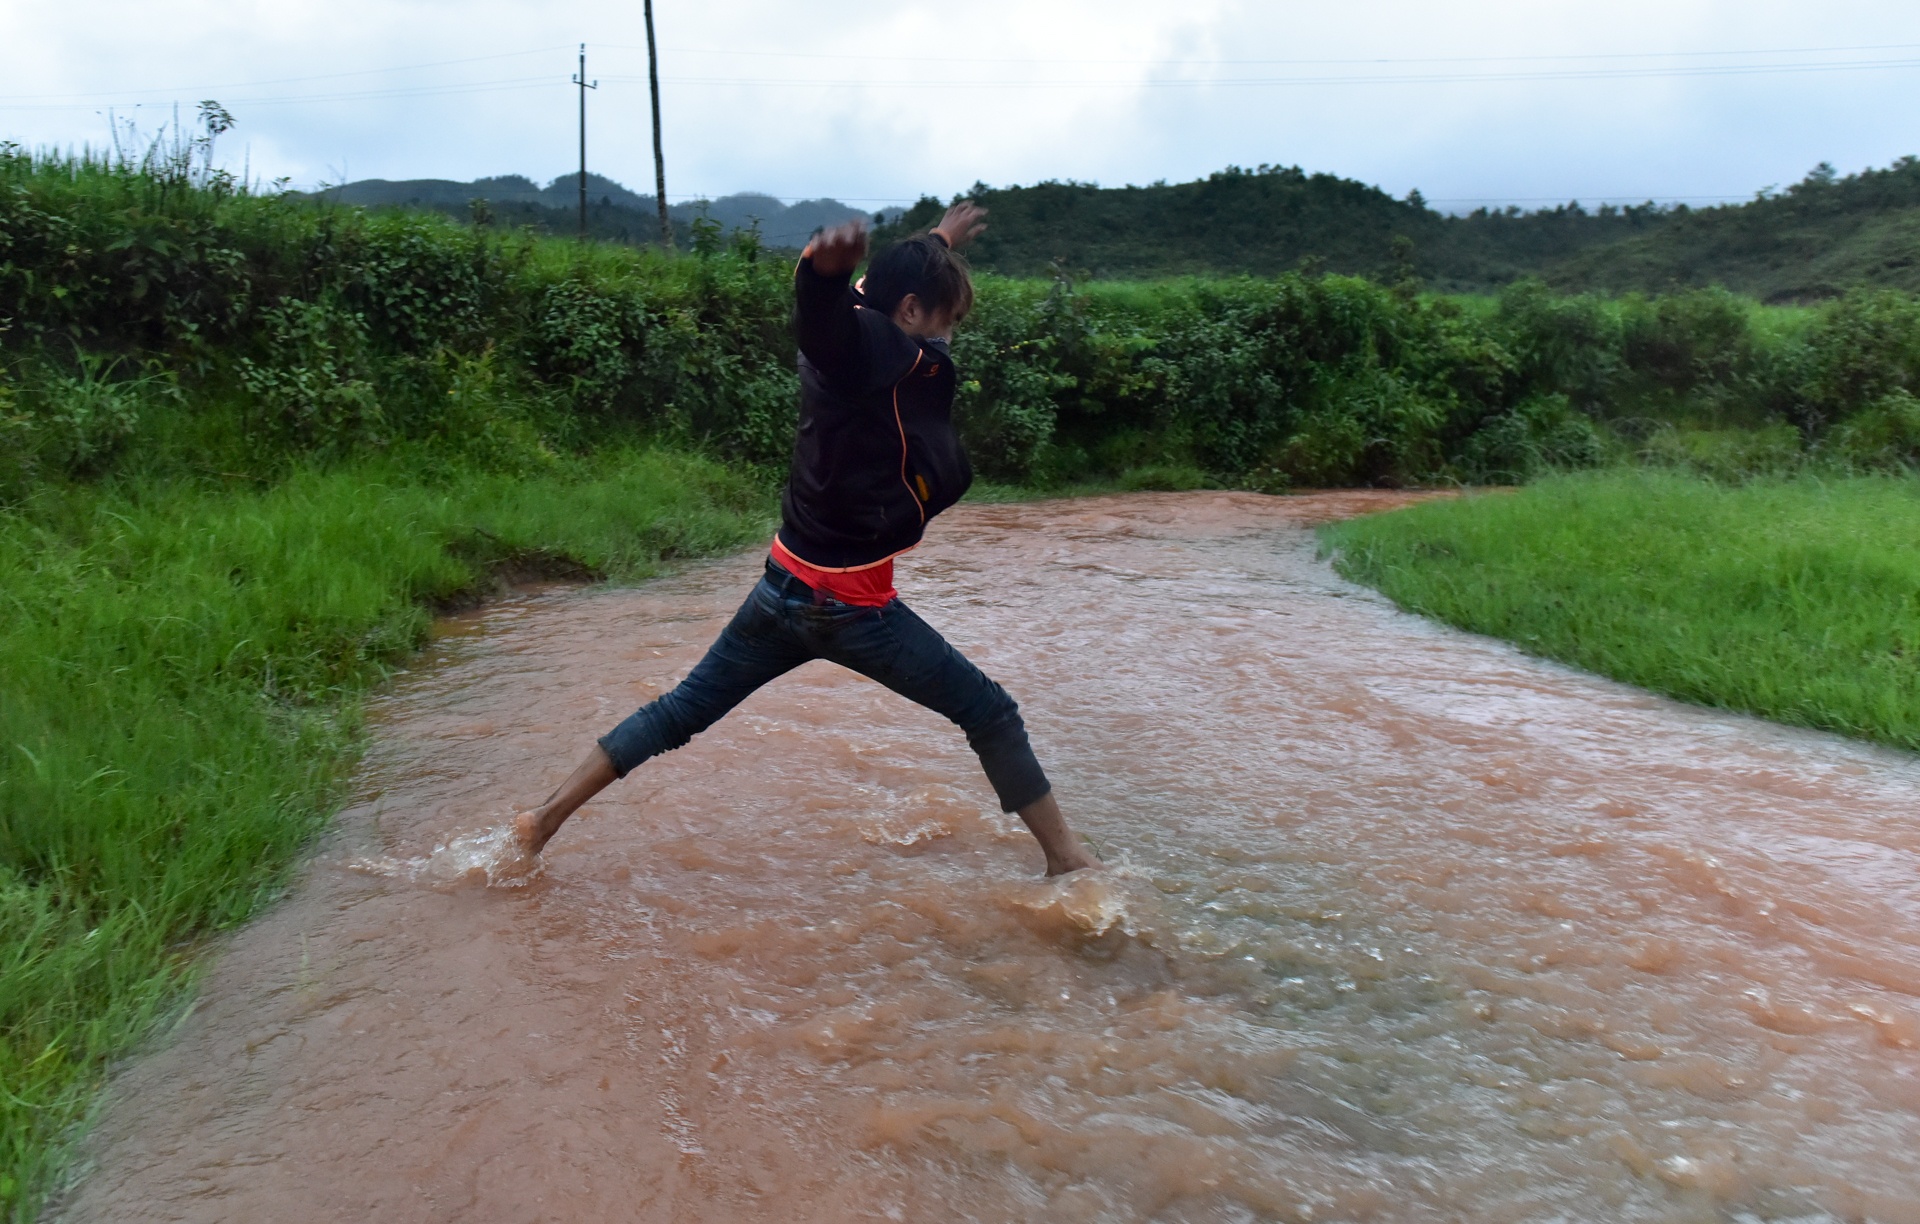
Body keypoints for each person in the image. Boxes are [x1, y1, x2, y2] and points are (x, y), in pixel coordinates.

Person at [513, 202, 1100, 877]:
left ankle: (542, 820)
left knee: (677, 712)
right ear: (909, 311)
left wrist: (936, 241)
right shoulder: (875, 352)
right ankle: (1069, 862)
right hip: (852, 610)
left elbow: (855, 299)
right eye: (946, 320)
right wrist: (819, 279)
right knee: (991, 713)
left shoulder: (867, 319)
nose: (949, 336)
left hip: (780, 588)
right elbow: (827, 322)